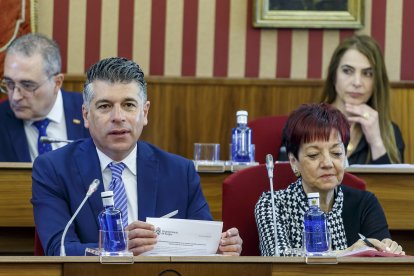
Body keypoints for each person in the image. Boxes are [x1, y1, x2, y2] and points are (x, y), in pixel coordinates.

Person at [32, 57, 243, 256]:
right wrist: (116, 247)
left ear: (145, 113)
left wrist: (221, 246)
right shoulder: (53, 169)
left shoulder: (180, 172)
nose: (118, 117)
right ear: (86, 115)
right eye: (105, 106)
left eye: (129, 105)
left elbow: (204, 244)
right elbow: (58, 249)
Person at [255, 103, 404, 256]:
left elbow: (381, 263)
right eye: (313, 155)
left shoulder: (365, 203)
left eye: (336, 153)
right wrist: (347, 253)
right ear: (294, 161)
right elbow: (277, 257)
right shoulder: (273, 204)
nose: (327, 163)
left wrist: (389, 250)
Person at [0, 33, 89, 162]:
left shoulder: (91, 112)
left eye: (27, 85)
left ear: (57, 83)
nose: (15, 97)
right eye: (9, 83)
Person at [320, 34, 404, 164]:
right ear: (333, 75)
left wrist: (376, 142)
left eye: (367, 73)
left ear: (376, 81)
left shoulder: (391, 132)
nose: (357, 82)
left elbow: (391, 184)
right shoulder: (306, 124)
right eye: (347, 71)